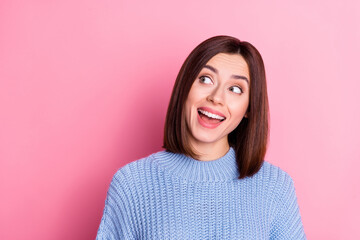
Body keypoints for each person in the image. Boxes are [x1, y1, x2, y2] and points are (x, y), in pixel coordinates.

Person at [96, 36, 306, 239]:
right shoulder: (132, 183)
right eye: (205, 79)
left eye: (235, 89)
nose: (216, 97)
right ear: (185, 87)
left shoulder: (276, 187)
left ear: (249, 108)